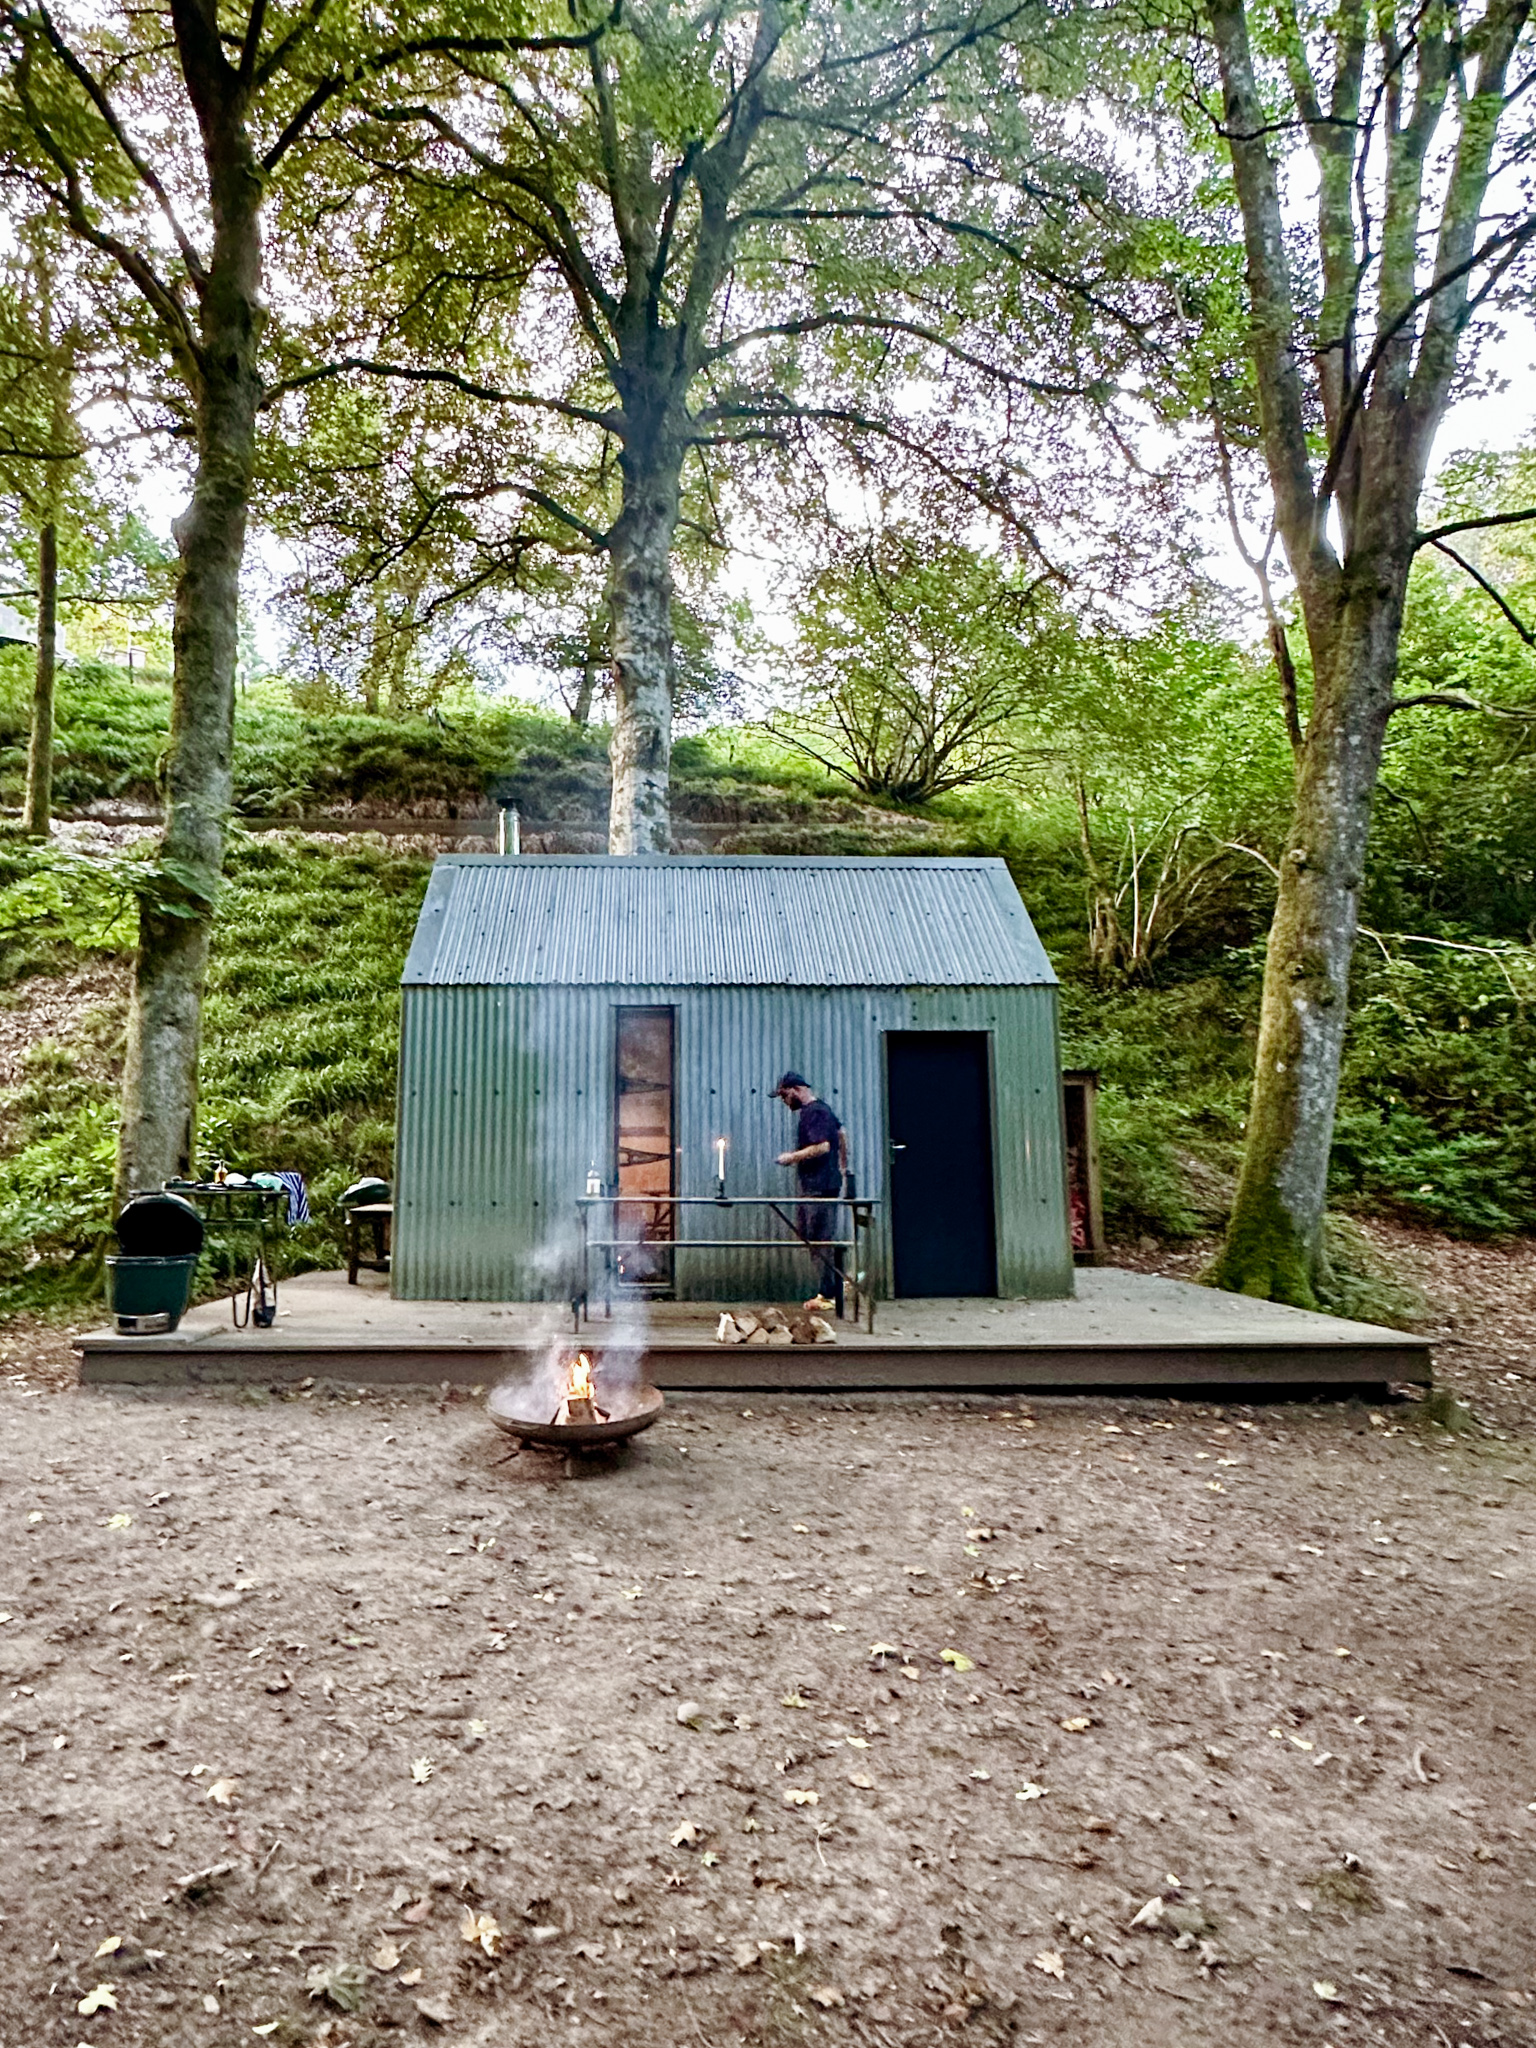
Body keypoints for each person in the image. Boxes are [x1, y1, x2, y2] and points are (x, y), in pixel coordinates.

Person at [773, 1071, 846, 1307]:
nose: (785, 1102)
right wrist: (843, 1166)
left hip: (818, 1186)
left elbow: (823, 1146)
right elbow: (841, 1134)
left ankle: (829, 1294)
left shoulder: (813, 1112)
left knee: (819, 1238)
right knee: (813, 1234)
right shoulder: (824, 1109)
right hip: (824, 1182)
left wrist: (791, 1157)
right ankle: (833, 1288)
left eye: (784, 1096)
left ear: (795, 1090)